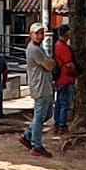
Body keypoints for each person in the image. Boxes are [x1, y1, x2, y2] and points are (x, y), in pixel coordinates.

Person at [20, 21, 55, 157]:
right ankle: (36, 145)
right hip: (40, 88)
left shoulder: (39, 48)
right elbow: (49, 66)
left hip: (44, 86)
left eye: (41, 33)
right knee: (40, 117)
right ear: (31, 35)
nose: (40, 36)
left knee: (46, 115)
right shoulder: (34, 49)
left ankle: (28, 135)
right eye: (37, 33)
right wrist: (52, 62)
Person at [53, 22, 77, 135]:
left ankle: (57, 123)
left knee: (59, 102)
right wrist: (76, 72)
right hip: (66, 78)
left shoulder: (57, 45)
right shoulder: (63, 47)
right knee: (65, 103)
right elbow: (69, 64)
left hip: (61, 79)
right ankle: (62, 125)